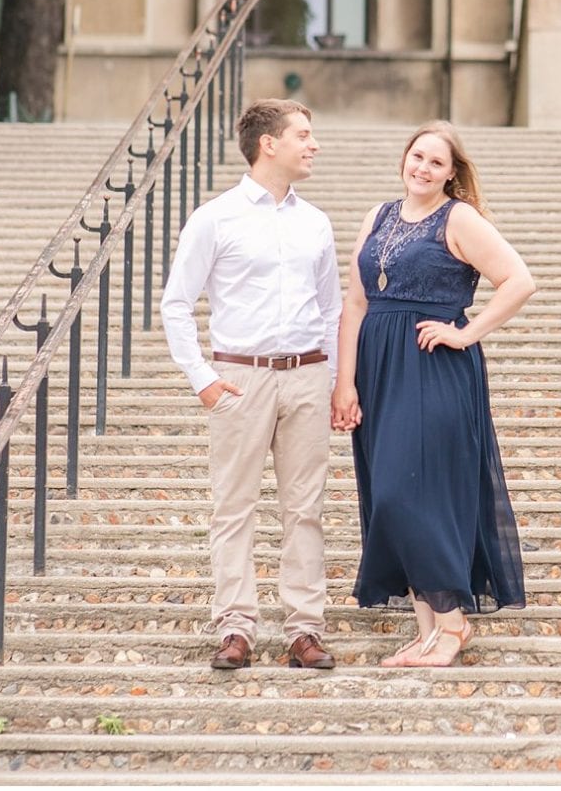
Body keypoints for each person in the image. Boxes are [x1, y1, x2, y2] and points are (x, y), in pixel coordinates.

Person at [330, 121, 534, 667]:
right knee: (391, 494)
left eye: (436, 162)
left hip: (432, 369)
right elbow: (355, 304)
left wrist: (465, 332)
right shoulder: (378, 215)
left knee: (410, 491)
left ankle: (452, 624)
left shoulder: (459, 218)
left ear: (452, 173)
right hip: (377, 369)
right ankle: (428, 636)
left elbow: (519, 280)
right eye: (416, 156)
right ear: (404, 158)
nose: (422, 167)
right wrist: (344, 381)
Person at [161, 98, 342, 671]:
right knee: (234, 507)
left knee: (305, 508)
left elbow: (332, 308)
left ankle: (304, 630)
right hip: (240, 377)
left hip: (307, 375)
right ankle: (236, 627)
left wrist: (335, 381)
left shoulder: (316, 222)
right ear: (270, 143)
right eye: (304, 135)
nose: (314, 145)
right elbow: (175, 303)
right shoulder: (215, 217)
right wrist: (203, 380)